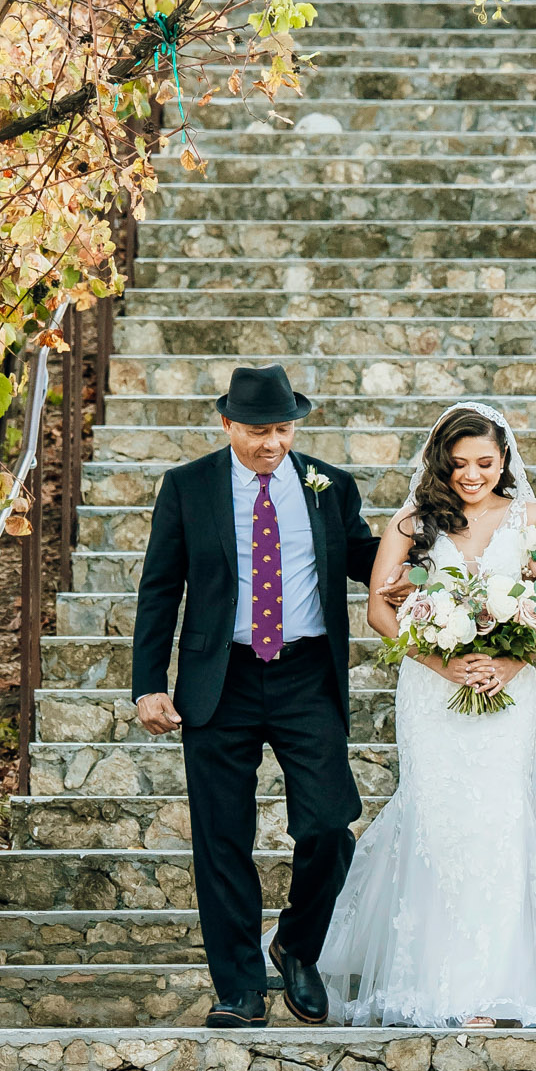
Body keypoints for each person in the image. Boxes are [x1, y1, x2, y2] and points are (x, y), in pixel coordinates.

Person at [130, 363, 377, 1029]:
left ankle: (297, 945)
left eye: (281, 429)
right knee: (221, 839)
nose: (271, 443)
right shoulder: (189, 487)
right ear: (227, 425)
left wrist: (442, 547)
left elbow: (365, 558)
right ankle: (238, 988)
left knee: (330, 822)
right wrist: (148, 683)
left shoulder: (330, 486)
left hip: (306, 677)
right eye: (257, 430)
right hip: (221, 681)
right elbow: (160, 587)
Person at [320, 402, 536, 1029]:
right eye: (459, 464)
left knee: (499, 821)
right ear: (441, 462)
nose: (471, 475)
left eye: (485, 462)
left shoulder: (532, 520)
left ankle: (494, 989)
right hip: (433, 693)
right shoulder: (413, 523)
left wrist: (511, 666)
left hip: (507, 695)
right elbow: (380, 610)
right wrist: (444, 664)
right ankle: (428, 985)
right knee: (437, 819)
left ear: (505, 459)